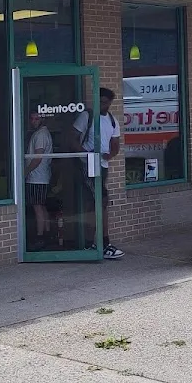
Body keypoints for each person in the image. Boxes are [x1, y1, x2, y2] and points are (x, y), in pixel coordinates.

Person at [72, 87, 123, 259]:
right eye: (100, 101)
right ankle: (103, 243)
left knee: (95, 205)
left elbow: (115, 144)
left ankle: (90, 243)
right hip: (88, 166)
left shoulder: (112, 120)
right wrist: (86, 156)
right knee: (101, 201)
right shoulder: (86, 116)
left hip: (102, 166)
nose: (103, 105)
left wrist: (110, 154)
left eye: (106, 102)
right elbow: (72, 139)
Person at [25, 108, 55, 247]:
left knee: (37, 207)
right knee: (41, 206)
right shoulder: (42, 133)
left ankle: (40, 236)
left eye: (36, 118)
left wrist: (25, 171)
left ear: (42, 119)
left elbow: (37, 158)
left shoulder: (41, 135)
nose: (33, 121)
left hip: (37, 177)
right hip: (42, 176)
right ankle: (47, 234)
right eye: (31, 118)